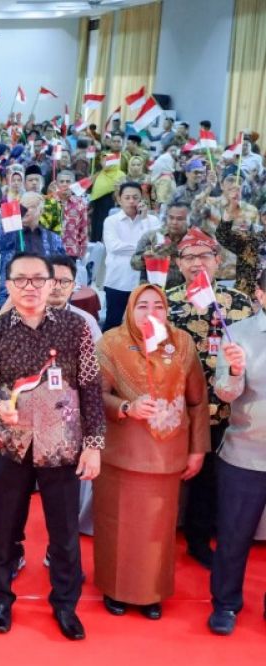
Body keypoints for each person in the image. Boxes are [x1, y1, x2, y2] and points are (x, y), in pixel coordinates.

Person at [0, 252, 104, 640]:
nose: (29, 287)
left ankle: (65, 604)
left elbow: (91, 389)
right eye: (20, 279)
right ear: (8, 285)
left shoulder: (76, 328)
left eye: (37, 279)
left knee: (64, 531)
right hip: (10, 443)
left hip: (61, 444)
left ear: (51, 284)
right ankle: (0, 598)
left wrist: (94, 444)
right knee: (2, 527)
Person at [94, 285, 209, 619]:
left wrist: (197, 450)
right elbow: (94, 396)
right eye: (142, 305)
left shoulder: (182, 343)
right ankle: (114, 589)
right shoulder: (111, 343)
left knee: (157, 530)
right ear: (130, 309)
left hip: (166, 455)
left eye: (158, 305)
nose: (150, 312)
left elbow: (197, 400)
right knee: (116, 524)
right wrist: (126, 407)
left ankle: (151, 593)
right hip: (121, 453)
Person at [166, 227, 253, 569]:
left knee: (211, 478)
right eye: (188, 257)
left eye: (204, 256)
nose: (196, 263)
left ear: (218, 260)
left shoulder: (239, 303)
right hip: (175, 407)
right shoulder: (164, 302)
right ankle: (158, 536)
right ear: (178, 263)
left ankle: (199, 539)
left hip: (224, 407)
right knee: (171, 473)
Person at [208, 270, 266, 635]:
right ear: (260, 294)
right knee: (233, 536)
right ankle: (226, 604)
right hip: (245, 454)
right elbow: (225, 393)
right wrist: (233, 369)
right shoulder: (238, 335)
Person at [101, 181, 160, 330]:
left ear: (142, 199)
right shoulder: (111, 221)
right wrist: (142, 248)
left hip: (145, 280)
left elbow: (156, 245)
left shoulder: (152, 220)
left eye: (135, 197)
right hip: (118, 279)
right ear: (119, 199)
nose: (131, 201)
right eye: (127, 197)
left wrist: (145, 219)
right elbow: (114, 247)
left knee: (144, 324)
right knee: (113, 321)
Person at [0, 192, 66, 308]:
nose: (25, 210)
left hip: (44, 298)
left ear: (41, 211)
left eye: (30, 206)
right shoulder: (11, 233)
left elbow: (62, 269)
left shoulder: (53, 239)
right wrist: (16, 213)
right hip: (12, 298)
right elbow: (0, 244)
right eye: (22, 206)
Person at [130, 202, 191, 291]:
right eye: (171, 218)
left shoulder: (195, 240)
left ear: (188, 220)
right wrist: (144, 258)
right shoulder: (151, 237)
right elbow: (134, 264)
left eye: (180, 219)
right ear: (166, 217)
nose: (174, 222)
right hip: (154, 292)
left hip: (185, 292)